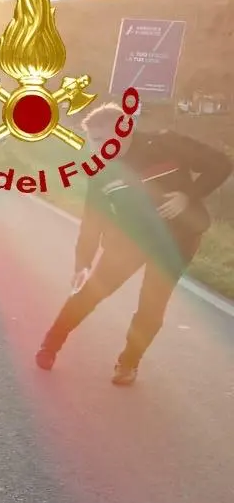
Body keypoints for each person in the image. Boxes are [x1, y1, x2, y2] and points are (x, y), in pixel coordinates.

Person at [35, 103, 231, 385]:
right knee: (90, 292)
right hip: (131, 238)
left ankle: (128, 364)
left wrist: (189, 194)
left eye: (102, 140)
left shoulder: (166, 143)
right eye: (93, 142)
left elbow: (221, 164)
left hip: (177, 241)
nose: (97, 148)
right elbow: (93, 219)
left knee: (151, 306)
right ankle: (50, 345)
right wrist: (83, 261)